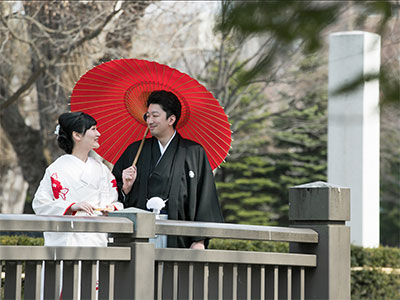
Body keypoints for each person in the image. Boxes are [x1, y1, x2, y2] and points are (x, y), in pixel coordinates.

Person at [112, 90, 224, 249]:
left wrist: (199, 240)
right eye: (147, 116)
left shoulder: (193, 152)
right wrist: (125, 189)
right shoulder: (135, 151)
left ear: (171, 119)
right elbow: (111, 192)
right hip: (139, 235)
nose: (149, 120)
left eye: (155, 116)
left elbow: (205, 197)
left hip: (179, 235)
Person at [33, 112, 123, 246]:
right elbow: (40, 204)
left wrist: (112, 207)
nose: (98, 134)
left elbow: (115, 201)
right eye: (93, 129)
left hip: (97, 239)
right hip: (67, 240)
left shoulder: (102, 169)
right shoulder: (57, 169)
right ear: (77, 135)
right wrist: (70, 206)